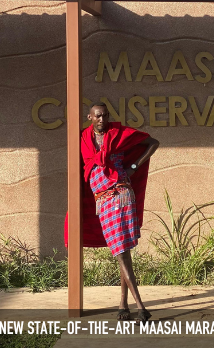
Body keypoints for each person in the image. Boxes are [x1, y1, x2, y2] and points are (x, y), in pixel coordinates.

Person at [65, 102, 159, 323]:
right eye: (98, 116)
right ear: (89, 117)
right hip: (102, 199)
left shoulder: (118, 134)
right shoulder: (82, 139)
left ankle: (140, 307)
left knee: (121, 251)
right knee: (122, 252)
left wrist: (133, 166)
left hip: (122, 193)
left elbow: (153, 143)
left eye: (105, 116)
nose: (102, 120)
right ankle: (123, 305)